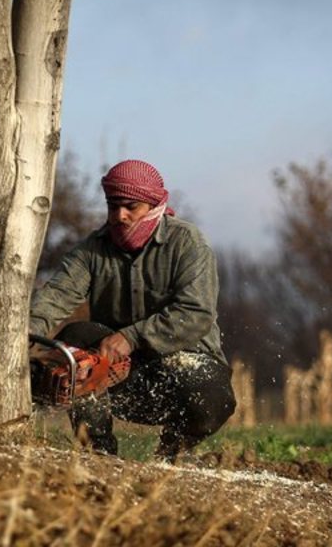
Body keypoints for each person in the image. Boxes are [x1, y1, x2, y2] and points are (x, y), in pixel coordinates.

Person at [29, 159, 236, 461]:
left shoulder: (188, 244)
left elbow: (196, 313)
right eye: (112, 206)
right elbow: (57, 296)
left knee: (214, 402)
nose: (119, 216)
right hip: (119, 374)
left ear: (154, 206)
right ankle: (98, 456)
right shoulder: (92, 250)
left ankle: (170, 456)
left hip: (185, 370)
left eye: (130, 207)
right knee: (75, 340)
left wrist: (132, 337)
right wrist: (24, 334)